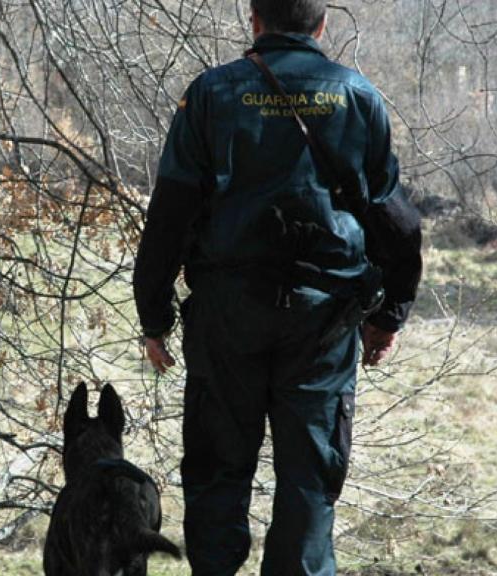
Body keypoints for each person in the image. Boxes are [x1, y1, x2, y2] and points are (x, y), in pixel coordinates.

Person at [133, 1, 423, 574]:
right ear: (320, 26)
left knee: (217, 475)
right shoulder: (358, 97)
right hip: (323, 324)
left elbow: (170, 213)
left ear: (254, 21)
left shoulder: (211, 94)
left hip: (226, 318)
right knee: (309, 483)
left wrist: (155, 316)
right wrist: (389, 315)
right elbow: (398, 223)